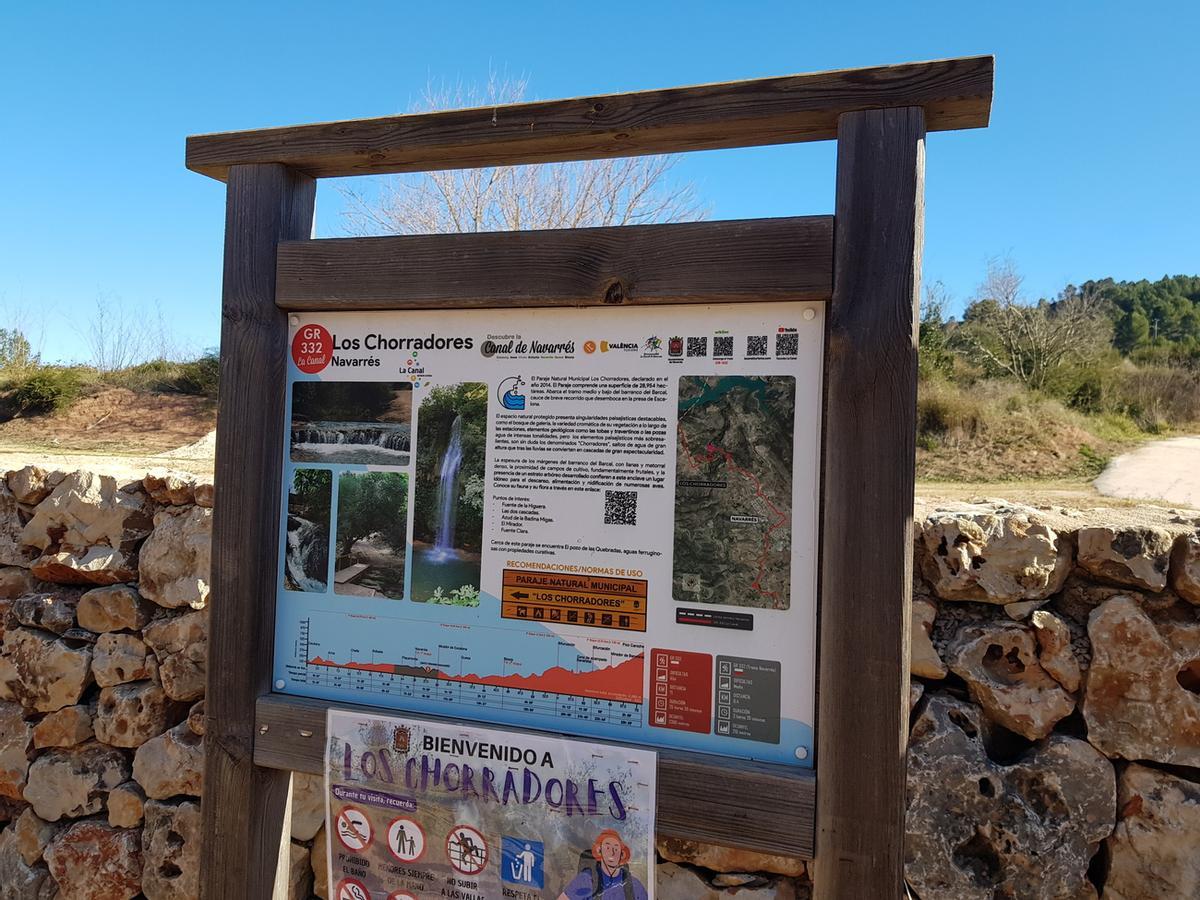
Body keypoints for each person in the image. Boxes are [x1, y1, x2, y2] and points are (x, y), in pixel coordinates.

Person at [557, 830, 648, 900]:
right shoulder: (585, 879)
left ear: (622, 854)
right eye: (607, 848)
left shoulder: (634, 885)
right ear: (599, 851)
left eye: (616, 849)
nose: (612, 853)